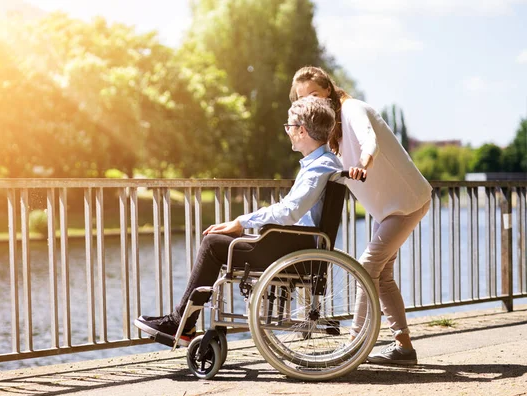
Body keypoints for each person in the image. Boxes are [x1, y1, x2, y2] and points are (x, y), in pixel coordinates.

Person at [134, 96, 345, 347]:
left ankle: (180, 323)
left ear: (301, 129)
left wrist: (242, 222)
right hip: (294, 245)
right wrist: (242, 223)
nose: (287, 132)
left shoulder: (318, 167)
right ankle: (183, 322)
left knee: (213, 244)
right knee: (220, 240)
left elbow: (290, 211)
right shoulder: (323, 163)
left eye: (289, 126)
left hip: (293, 249)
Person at [290, 66, 432, 365]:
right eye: (303, 99)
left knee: (367, 268)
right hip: (389, 211)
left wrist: (364, 165)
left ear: (328, 90)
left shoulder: (353, 109)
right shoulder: (329, 131)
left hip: (406, 202)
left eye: (315, 94)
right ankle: (404, 349)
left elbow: (370, 142)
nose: (311, 101)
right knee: (382, 278)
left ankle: (353, 347)